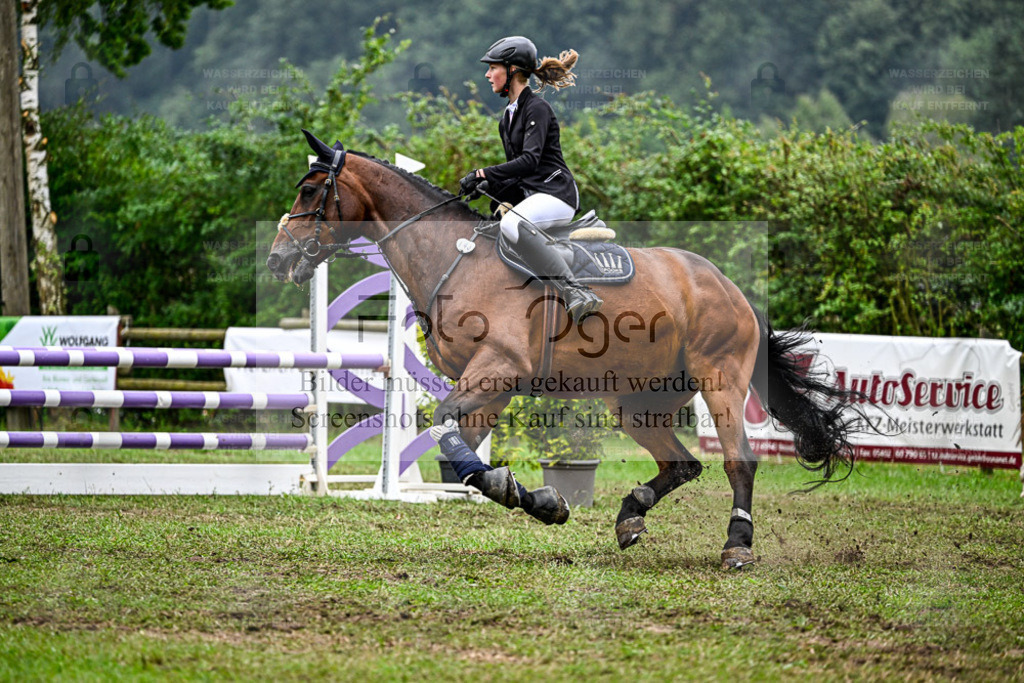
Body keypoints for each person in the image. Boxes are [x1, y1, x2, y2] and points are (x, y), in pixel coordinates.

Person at [459, 36, 603, 324]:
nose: (488, 75)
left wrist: (482, 173)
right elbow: (518, 173)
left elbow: (530, 161)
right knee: (495, 228)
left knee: (514, 223)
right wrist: (490, 186)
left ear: (512, 70)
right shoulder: (507, 118)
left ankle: (575, 290)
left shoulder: (536, 108)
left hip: (557, 193)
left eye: (493, 68)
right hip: (536, 194)